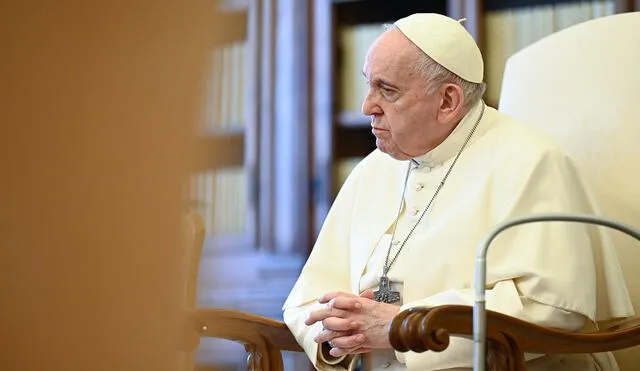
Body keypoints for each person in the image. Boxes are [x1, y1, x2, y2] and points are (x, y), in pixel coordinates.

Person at [282, 13, 634, 371]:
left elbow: (553, 309)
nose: (367, 106)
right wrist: (338, 332)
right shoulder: (373, 169)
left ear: (448, 101)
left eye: (387, 90)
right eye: (369, 85)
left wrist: (401, 325)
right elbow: (306, 299)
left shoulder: (531, 161)